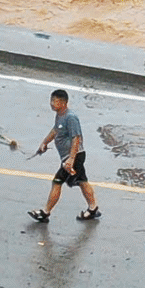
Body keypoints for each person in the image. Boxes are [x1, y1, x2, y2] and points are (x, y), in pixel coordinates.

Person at [29, 87, 100, 225]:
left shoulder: (70, 117)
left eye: (55, 101)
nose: (51, 103)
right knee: (82, 181)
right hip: (70, 157)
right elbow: (56, 130)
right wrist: (45, 142)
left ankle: (45, 213)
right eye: (51, 100)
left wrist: (71, 159)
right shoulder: (60, 115)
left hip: (74, 157)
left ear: (63, 103)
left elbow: (76, 138)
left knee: (57, 182)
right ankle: (93, 208)